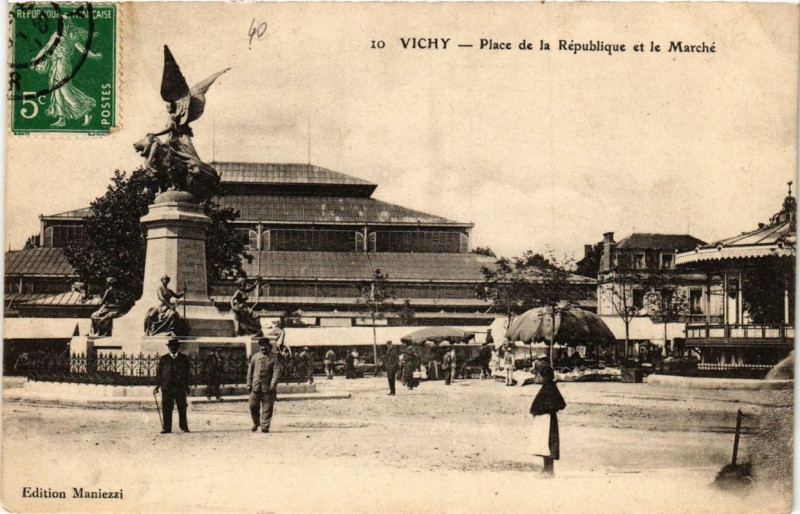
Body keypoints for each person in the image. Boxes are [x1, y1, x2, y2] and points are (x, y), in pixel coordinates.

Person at [30, 17, 102, 127]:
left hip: (62, 64)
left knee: (64, 89)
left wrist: (36, 60)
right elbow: (47, 48)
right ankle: (62, 118)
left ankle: (85, 109)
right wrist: (94, 56)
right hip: (57, 64)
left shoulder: (63, 35)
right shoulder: (69, 35)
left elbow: (46, 48)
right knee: (57, 89)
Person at [529, 363, 566, 476]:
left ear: (544, 376)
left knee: (549, 443)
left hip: (548, 420)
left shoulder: (549, 388)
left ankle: (549, 471)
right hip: (544, 419)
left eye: (539, 375)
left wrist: (544, 410)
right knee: (543, 444)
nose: (537, 378)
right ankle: (546, 469)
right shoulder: (547, 387)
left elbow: (558, 404)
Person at [154, 338, 191, 434]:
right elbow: (159, 374)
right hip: (167, 388)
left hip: (180, 387)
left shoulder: (184, 358)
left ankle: (184, 426)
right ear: (168, 348)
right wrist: (157, 386)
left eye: (174, 347)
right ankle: (167, 428)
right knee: (166, 408)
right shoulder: (164, 359)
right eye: (171, 347)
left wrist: (187, 386)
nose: (172, 348)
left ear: (178, 347)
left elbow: (187, 374)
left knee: (182, 407)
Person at [247, 338, 281, 433]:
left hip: (268, 388)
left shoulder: (274, 358)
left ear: (269, 347)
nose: (263, 348)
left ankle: (265, 425)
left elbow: (276, 372)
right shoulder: (255, 357)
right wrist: (249, 384)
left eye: (265, 346)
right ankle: (256, 423)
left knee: (267, 408)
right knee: (252, 406)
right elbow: (250, 372)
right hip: (256, 387)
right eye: (261, 346)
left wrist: (273, 384)